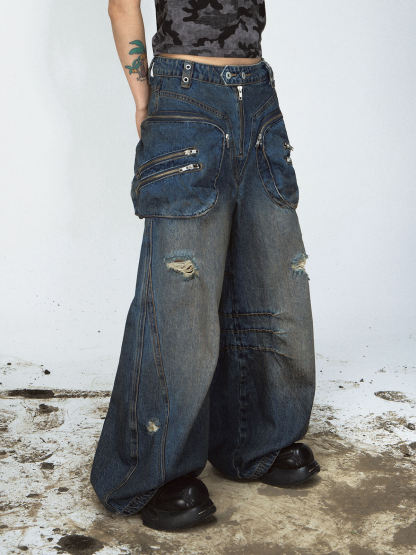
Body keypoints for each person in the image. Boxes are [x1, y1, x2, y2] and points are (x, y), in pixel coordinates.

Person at [90, 0, 320, 531]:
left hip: (258, 96)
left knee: (274, 280)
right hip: (185, 91)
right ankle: (151, 472)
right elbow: (122, 4)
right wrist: (145, 98)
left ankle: (256, 440)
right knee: (180, 298)